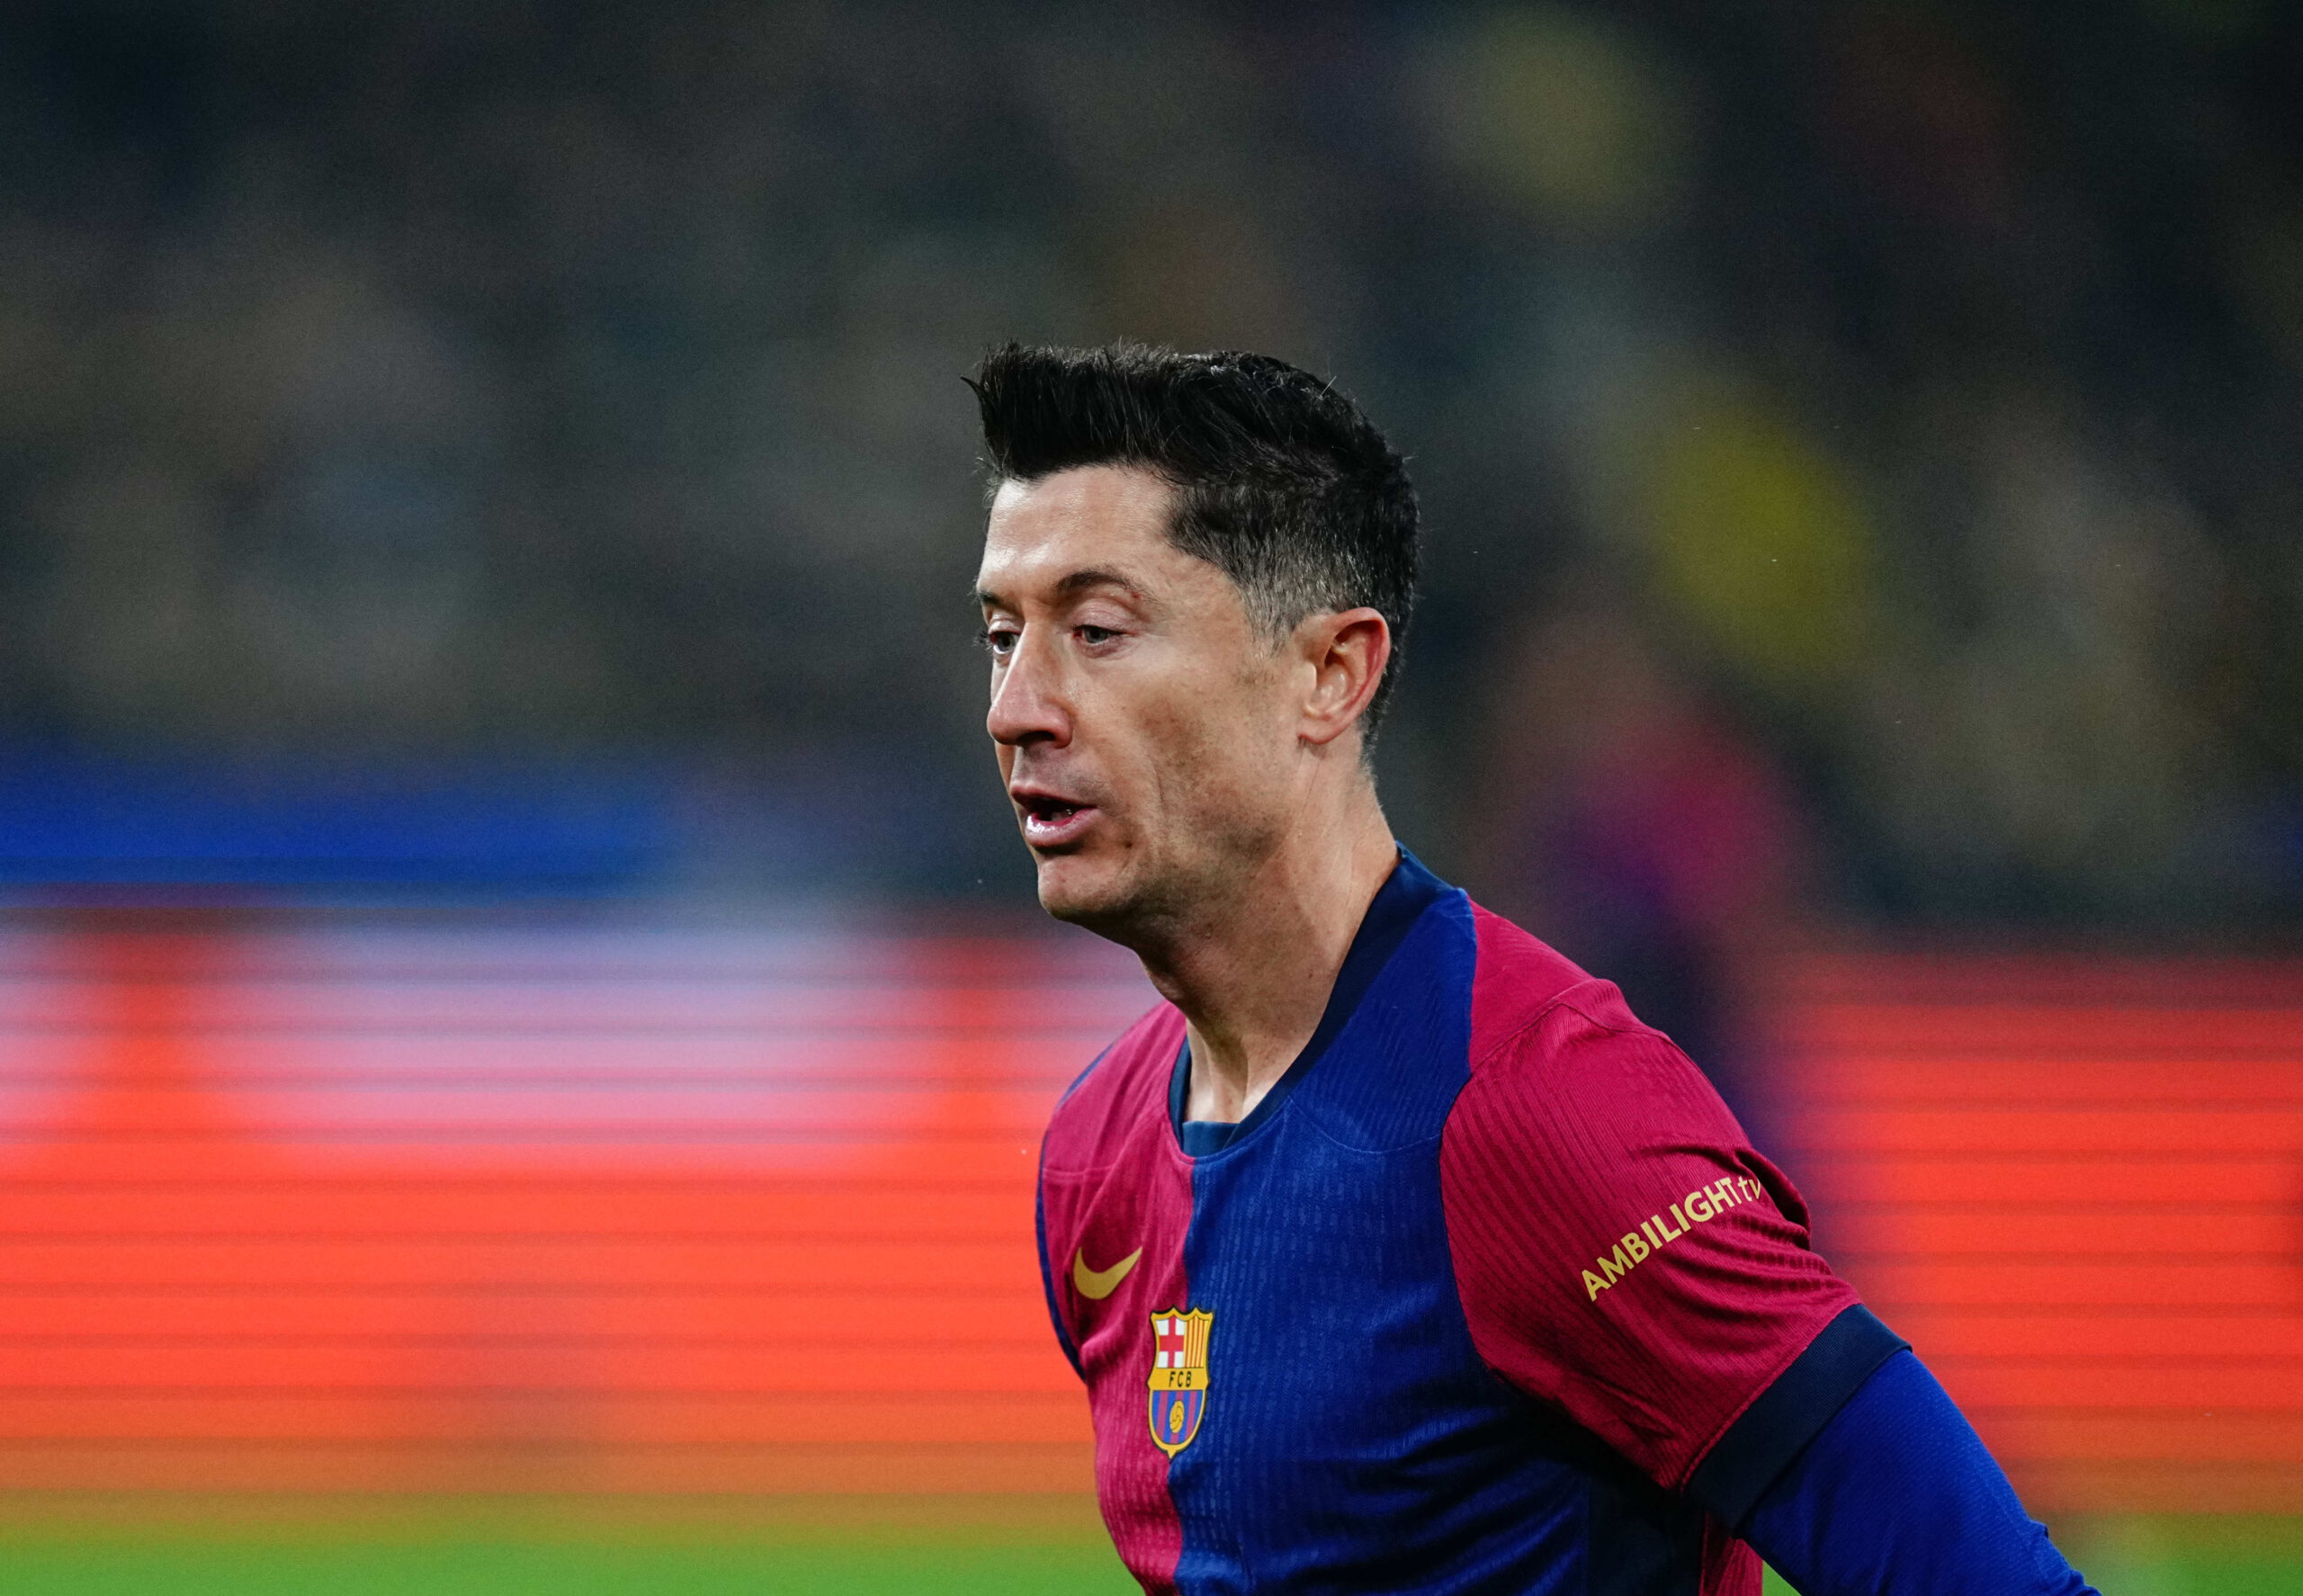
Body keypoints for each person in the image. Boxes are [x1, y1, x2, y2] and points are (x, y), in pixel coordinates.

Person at [969, 342, 2096, 1596]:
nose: (1017, 706)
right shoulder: (1096, 1160)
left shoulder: (1536, 1112)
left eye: (1099, 630)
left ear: (1329, 675)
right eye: (1003, 636)